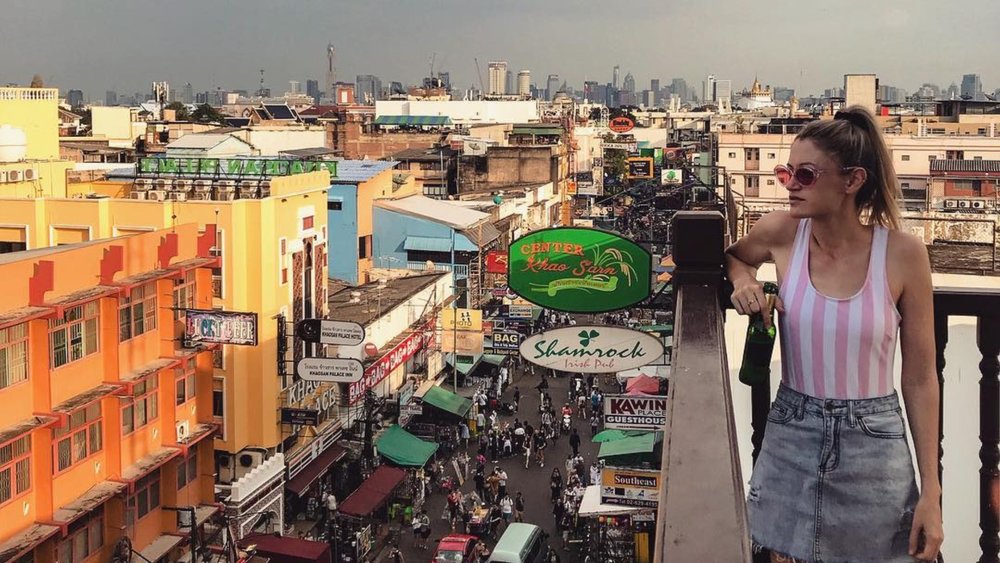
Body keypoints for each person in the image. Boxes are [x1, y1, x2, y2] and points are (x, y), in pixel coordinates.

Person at [726, 106, 942, 562]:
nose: (790, 185)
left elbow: (921, 378)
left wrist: (932, 492)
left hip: (873, 445)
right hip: (790, 434)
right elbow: (735, 257)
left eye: (805, 174)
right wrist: (745, 282)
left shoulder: (903, 254)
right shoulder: (783, 232)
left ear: (852, 180)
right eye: (787, 172)